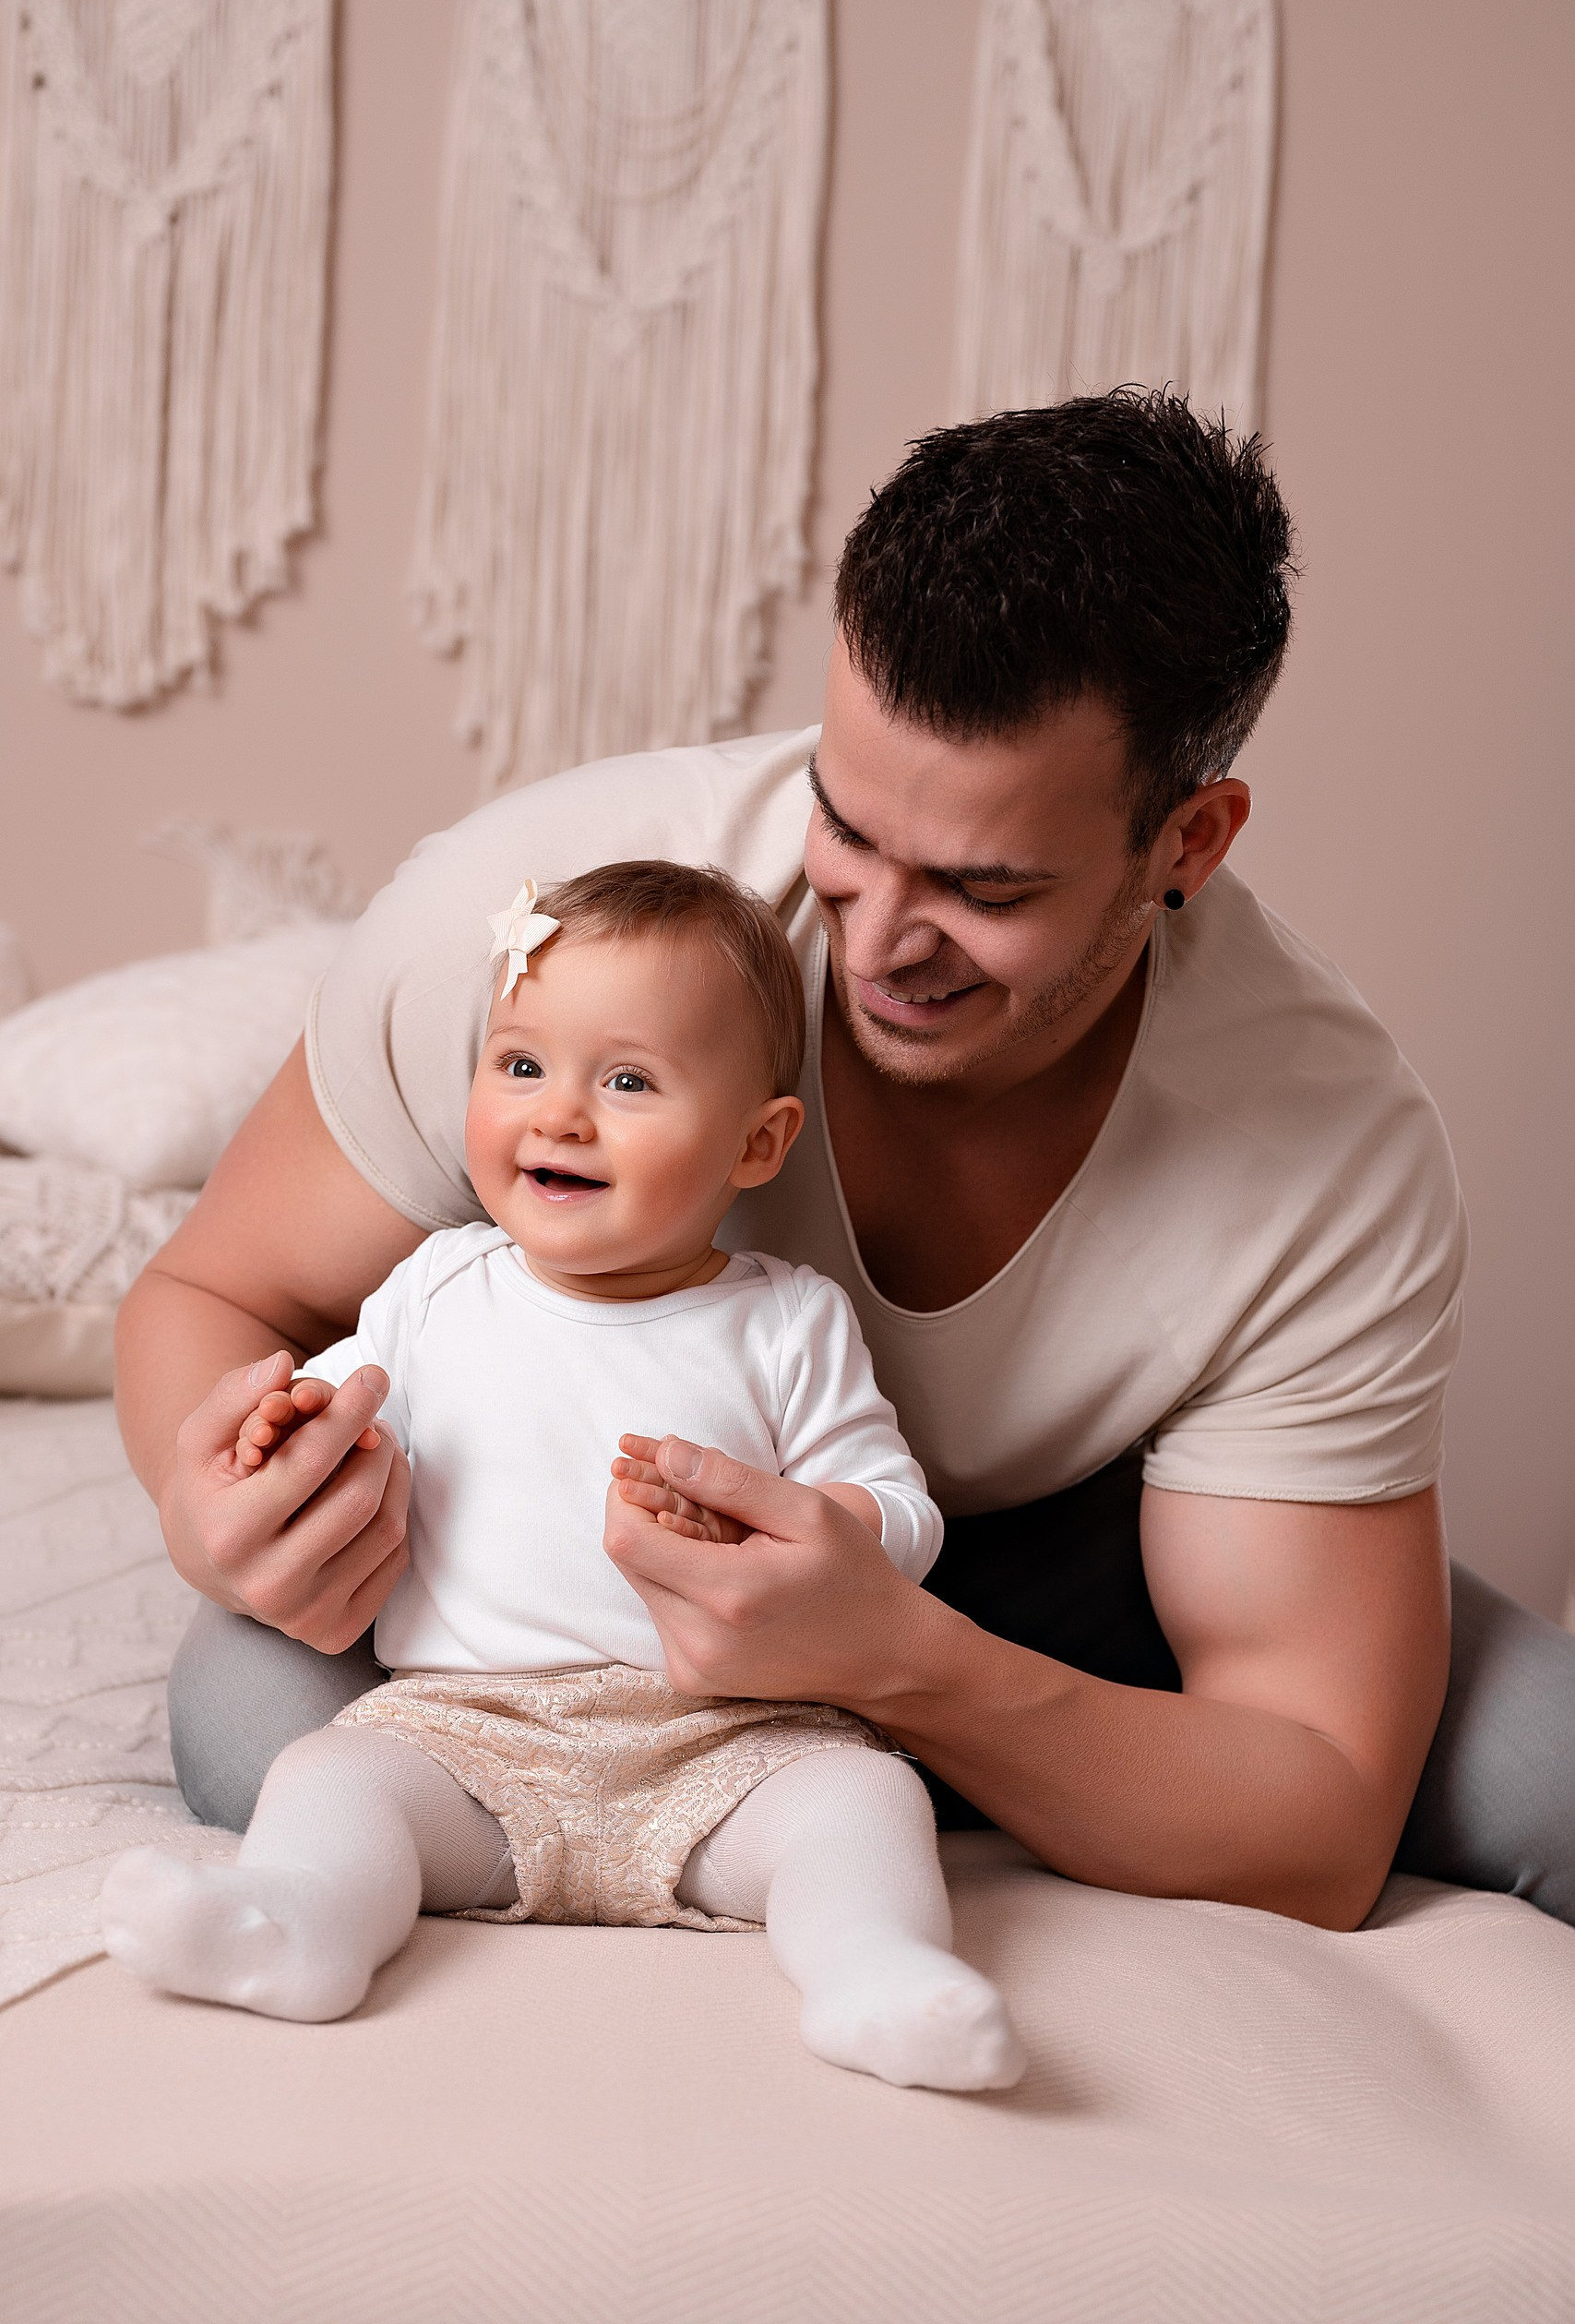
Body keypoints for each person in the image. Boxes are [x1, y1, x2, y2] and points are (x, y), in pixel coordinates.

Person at [117, 389, 1575, 1935]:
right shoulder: (543, 932)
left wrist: (898, 1662)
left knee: (1552, 1776)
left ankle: (855, 1787)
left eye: (985, 888)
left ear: (1189, 844)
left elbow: (1321, 1817)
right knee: (250, 1724)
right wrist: (214, 1506)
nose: (878, 944)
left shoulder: (1324, 1149)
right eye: (847, 826)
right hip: (541, 1602)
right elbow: (212, 1291)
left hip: (1084, 1564)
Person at [103, 865, 1023, 2090]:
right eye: (522, 1064)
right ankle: (298, 1926)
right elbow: (331, 1413)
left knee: (863, 1802)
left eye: (627, 1082)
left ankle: (874, 1972)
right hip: (467, 1735)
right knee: (332, 1774)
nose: (560, 1117)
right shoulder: (435, 1287)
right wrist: (282, 1428)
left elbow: (901, 1513)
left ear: (757, 1143)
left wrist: (798, 1527)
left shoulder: (787, 1321)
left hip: (730, 1743)